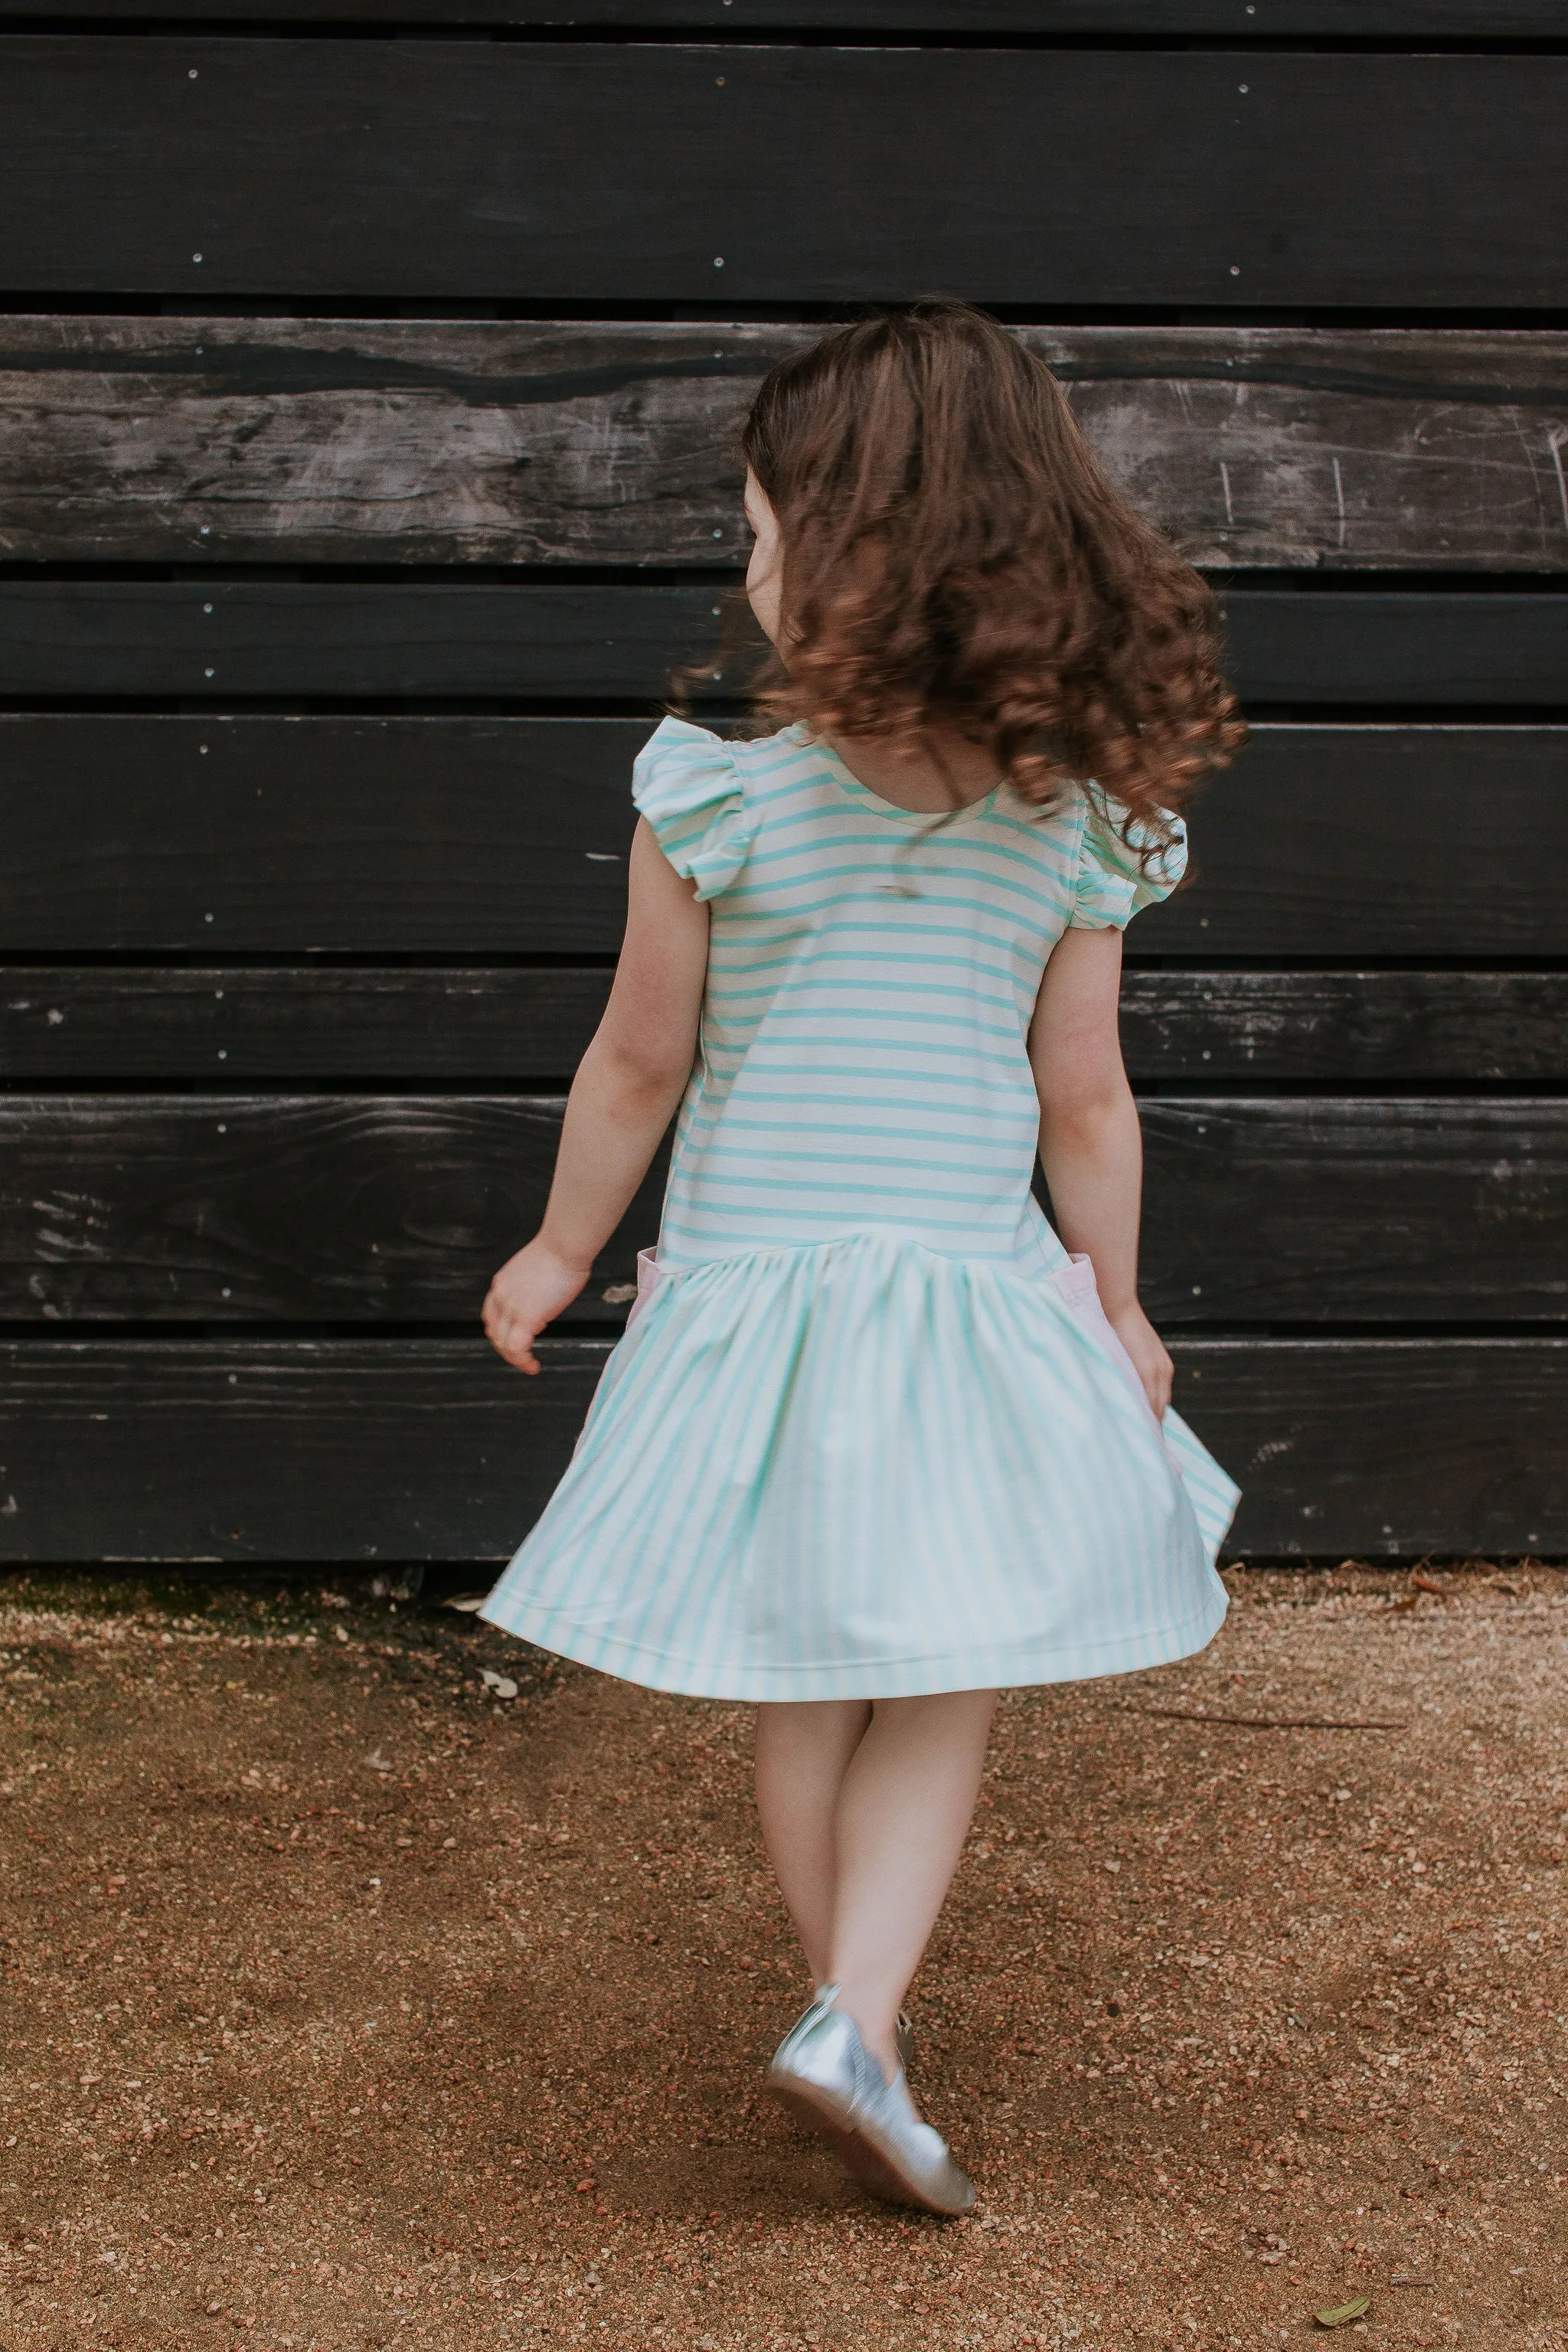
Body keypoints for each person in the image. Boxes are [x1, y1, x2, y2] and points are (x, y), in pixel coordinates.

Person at [479, 303, 1244, 2217]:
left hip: (753, 1299)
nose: (743, 564)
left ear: (851, 548)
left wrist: (561, 1246)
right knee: (951, 1670)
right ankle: (859, 2021)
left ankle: (853, 2020)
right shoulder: (1076, 819)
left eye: (756, 526)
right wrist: (1120, 1305)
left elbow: (640, 1056)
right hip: (966, 1302)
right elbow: (1086, 1104)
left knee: (803, 1674)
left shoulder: (715, 789)